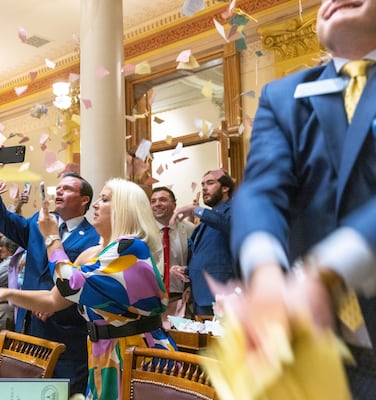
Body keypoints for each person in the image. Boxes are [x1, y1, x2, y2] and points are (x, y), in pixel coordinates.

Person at [230, 1, 376, 396]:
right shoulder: (283, 96)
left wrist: (326, 271)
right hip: (317, 355)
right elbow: (261, 187)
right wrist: (264, 271)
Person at [0, 178, 177, 400]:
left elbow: (69, 284)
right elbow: (54, 299)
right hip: (103, 353)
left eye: (105, 200)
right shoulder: (96, 252)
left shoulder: (130, 248)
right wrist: (5, 293)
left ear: (124, 210)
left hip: (135, 353)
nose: (96, 205)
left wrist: (51, 237)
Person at [0, 147, 100, 395]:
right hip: (29, 326)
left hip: (66, 330)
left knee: (63, 393)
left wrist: (52, 302)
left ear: (84, 200)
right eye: (59, 187)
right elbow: (1, 219)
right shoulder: (39, 221)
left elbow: (82, 283)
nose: (59, 192)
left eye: (67, 189)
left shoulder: (94, 238)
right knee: (27, 392)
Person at [172, 169, 235, 317]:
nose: (204, 188)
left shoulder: (235, 208)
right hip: (200, 297)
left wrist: (196, 210)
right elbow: (212, 257)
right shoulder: (208, 218)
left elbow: (229, 226)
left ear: (225, 188)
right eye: (202, 184)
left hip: (223, 296)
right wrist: (187, 270)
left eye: (210, 183)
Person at [150, 186, 195, 323]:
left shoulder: (189, 230)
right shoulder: (142, 232)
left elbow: (196, 262)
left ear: (174, 204)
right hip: (152, 300)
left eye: (162, 200)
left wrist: (190, 287)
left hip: (180, 300)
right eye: (153, 201)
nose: (157, 204)